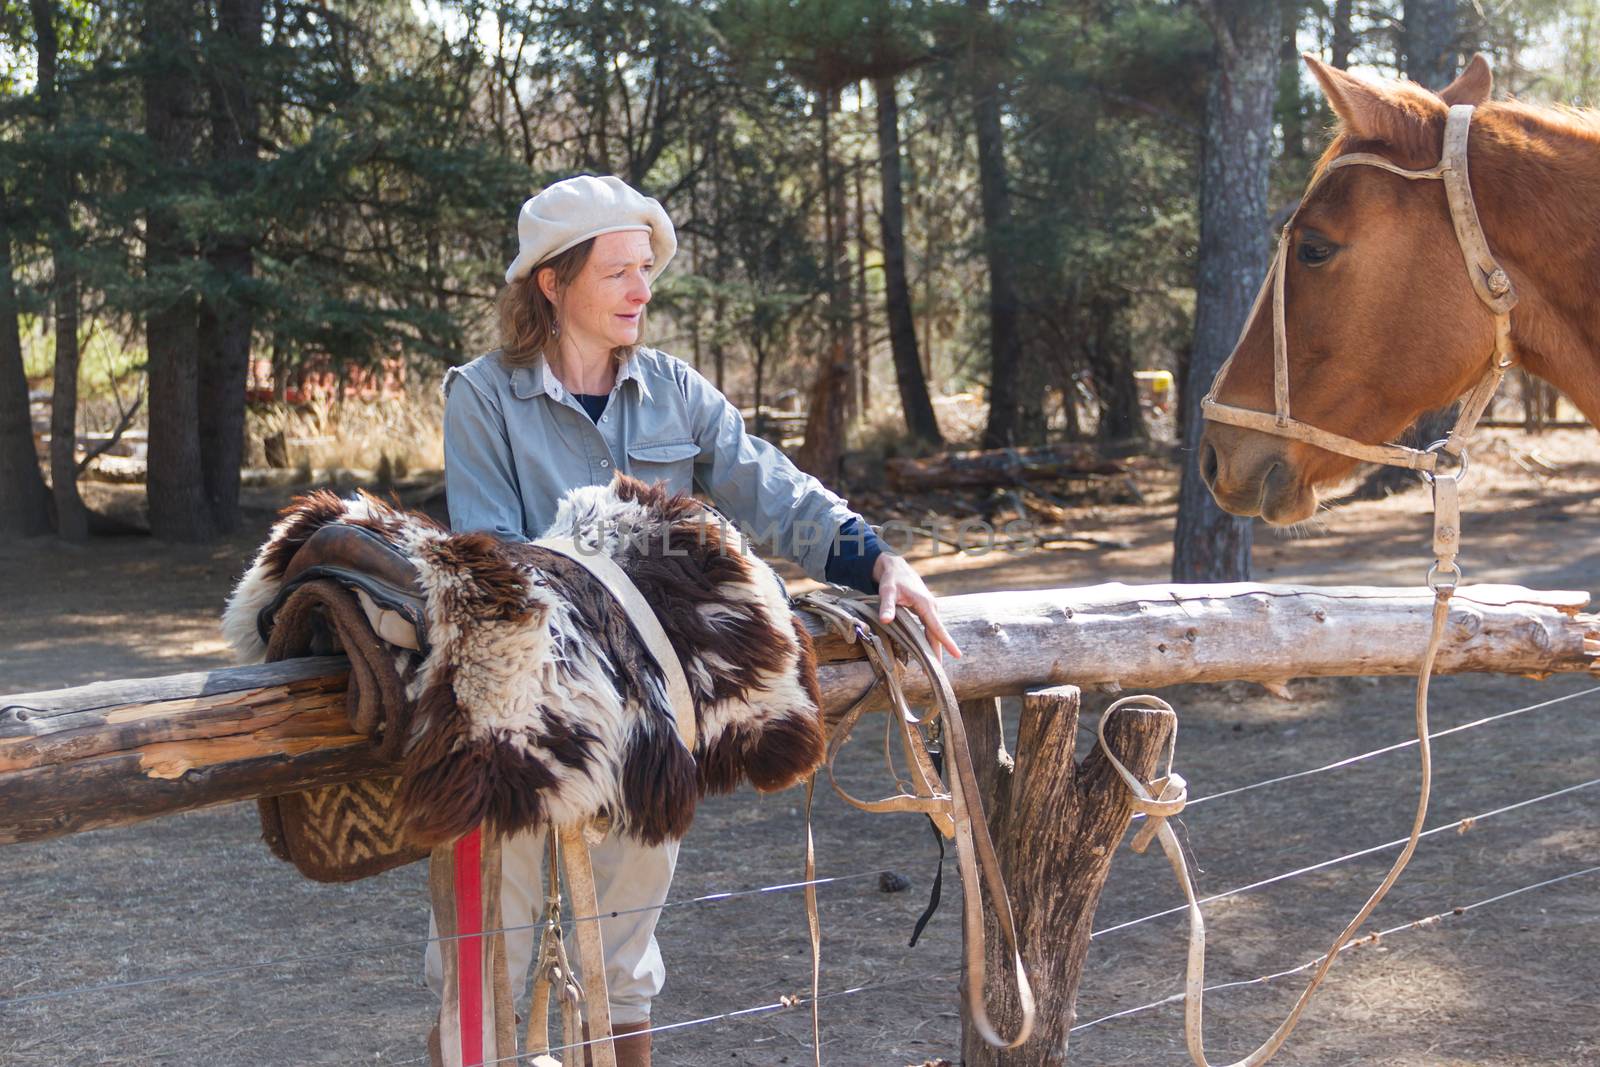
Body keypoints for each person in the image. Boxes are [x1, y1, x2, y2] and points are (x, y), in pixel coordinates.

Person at [426, 174, 959, 1067]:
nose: (643, 290)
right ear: (551, 283)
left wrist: (876, 558)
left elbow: (770, 485)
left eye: (646, 269)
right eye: (618, 272)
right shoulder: (481, 396)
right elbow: (494, 557)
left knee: (627, 957)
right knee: (487, 957)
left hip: (657, 722)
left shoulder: (674, 388)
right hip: (519, 717)